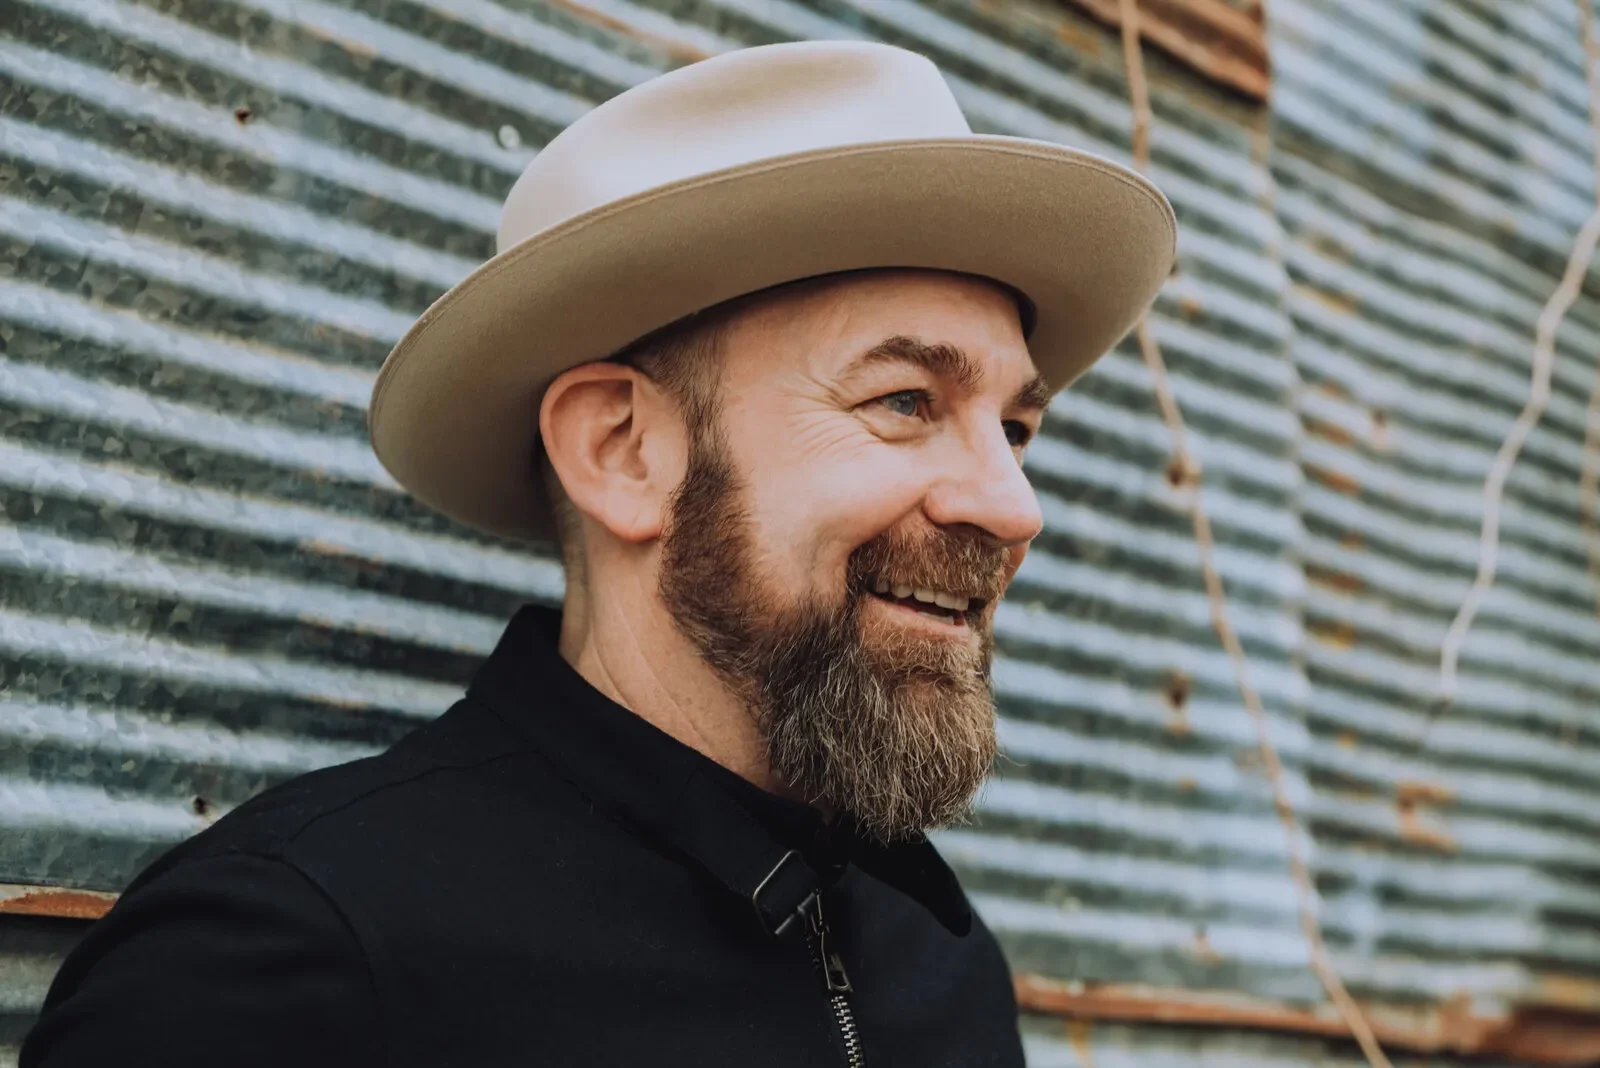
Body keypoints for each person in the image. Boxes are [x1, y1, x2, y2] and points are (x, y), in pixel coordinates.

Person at [22, 39, 1173, 1067]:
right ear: (622, 452)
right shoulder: (294, 966)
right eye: (906, 400)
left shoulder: (941, 967)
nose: (1011, 504)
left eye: (1015, 429)